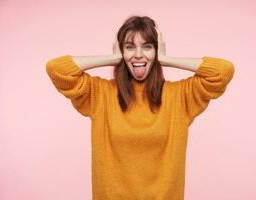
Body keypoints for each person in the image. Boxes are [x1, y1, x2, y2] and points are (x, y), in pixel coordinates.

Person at [46, 15, 235, 200]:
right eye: (129, 47)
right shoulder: (100, 94)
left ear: (157, 51)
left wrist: (165, 59)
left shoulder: (179, 97)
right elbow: (57, 69)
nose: (138, 54)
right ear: (121, 52)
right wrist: (113, 58)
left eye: (147, 46)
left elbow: (222, 71)